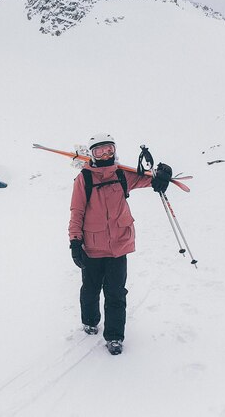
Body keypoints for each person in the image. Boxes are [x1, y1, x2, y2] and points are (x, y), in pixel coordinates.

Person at [68, 133, 172, 355]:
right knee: (90, 290)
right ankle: (90, 320)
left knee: (116, 293)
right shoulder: (84, 179)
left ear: (115, 151)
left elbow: (149, 180)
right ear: (92, 154)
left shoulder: (122, 175)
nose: (105, 154)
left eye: (109, 150)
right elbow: (76, 213)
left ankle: (114, 336)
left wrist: (161, 176)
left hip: (119, 245)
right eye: (99, 151)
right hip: (93, 247)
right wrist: (75, 242)